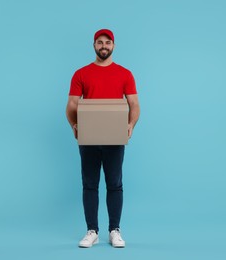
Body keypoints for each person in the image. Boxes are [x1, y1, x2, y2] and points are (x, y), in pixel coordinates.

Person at [66, 29, 140, 248]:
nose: (104, 46)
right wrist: (74, 125)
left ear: (114, 46)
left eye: (108, 42)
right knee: (90, 184)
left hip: (114, 137)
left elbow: (134, 104)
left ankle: (114, 230)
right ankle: (92, 231)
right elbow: (72, 103)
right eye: (100, 42)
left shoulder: (125, 73)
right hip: (89, 137)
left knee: (114, 184)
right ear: (94, 45)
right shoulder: (81, 73)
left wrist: (130, 125)